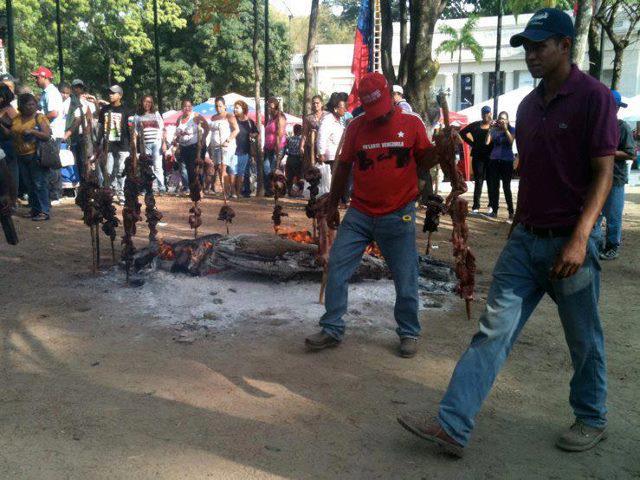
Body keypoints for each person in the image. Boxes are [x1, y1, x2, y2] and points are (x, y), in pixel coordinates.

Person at [397, 8, 618, 457]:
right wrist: (518, 227)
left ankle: (592, 417)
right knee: (492, 330)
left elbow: (603, 174)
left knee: (582, 336)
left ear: (565, 46)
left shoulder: (594, 97)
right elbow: (532, 173)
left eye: (539, 46)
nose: (532, 55)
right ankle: (452, 425)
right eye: (527, 48)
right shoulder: (528, 106)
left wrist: (580, 238)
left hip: (568, 241)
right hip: (525, 240)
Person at [304, 72, 438, 358]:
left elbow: (425, 160)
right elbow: (342, 167)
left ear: (389, 94)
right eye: (370, 111)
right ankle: (332, 328)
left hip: (398, 213)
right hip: (360, 212)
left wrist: (441, 152)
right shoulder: (356, 128)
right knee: (337, 265)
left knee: (406, 276)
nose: (376, 117)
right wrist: (332, 206)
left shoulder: (411, 123)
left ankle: (408, 332)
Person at [596, 90, 635, 260]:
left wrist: (609, 152)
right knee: (595, 213)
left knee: (613, 215)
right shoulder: (597, 126)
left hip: (616, 178)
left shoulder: (623, 127)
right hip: (596, 177)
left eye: (616, 106)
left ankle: (612, 246)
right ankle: (595, 244)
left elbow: (631, 154)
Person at [7, 93, 53, 221]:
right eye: (29, 104)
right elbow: (10, 133)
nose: (31, 107)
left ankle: (44, 210)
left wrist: (33, 131)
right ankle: (35, 209)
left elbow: (46, 135)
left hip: (35, 155)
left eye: (33, 104)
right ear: (22, 105)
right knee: (29, 184)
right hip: (21, 155)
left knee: (39, 183)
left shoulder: (39, 117)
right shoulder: (17, 118)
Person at [32, 66, 64, 205]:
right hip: (48, 132)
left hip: (52, 133)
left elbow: (53, 113)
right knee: (47, 163)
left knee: (51, 162)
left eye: (37, 77)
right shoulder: (46, 92)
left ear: (44, 77)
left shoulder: (51, 92)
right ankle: (51, 194)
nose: (35, 79)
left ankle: (55, 194)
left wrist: (39, 119)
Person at [97, 85, 132, 201]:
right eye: (110, 93)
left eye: (114, 93)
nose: (111, 95)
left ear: (120, 95)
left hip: (123, 145)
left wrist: (132, 145)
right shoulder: (104, 110)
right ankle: (110, 192)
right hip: (108, 145)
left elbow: (131, 129)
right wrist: (98, 142)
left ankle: (121, 193)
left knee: (121, 170)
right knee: (109, 170)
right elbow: (100, 127)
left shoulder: (126, 110)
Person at [460, 106, 493, 214]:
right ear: (481, 114)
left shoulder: (493, 125)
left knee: (490, 181)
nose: (486, 115)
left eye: (488, 113)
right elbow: (462, 132)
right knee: (479, 181)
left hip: (491, 157)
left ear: (491, 113)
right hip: (478, 156)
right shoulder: (476, 125)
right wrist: (471, 143)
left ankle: (491, 204)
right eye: (484, 113)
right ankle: (476, 206)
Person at [485, 111, 516, 220]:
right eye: (500, 118)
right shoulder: (494, 130)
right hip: (494, 160)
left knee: (506, 187)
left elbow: (511, 141)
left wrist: (506, 129)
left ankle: (511, 211)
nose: (501, 120)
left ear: (507, 120)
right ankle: (494, 210)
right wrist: (489, 129)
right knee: (495, 186)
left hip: (506, 161)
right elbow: (487, 142)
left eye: (503, 118)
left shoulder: (512, 129)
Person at [62, 79, 95, 182]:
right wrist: (67, 134)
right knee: (73, 160)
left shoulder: (85, 103)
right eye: (76, 87)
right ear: (72, 88)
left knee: (85, 160)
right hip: (71, 136)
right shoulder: (67, 103)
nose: (78, 89)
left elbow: (90, 119)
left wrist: (89, 135)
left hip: (84, 136)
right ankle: (77, 182)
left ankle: (86, 182)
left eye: (80, 87)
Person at [174, 99, 209, 193]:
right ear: (182, 108)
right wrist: (176, 142)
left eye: (189, 106)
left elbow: (207, 128)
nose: (187, 108)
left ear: (192, 107)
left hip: (195, 147)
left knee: (195, 168)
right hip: (184, 147)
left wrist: (203, 139)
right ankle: (193, 189)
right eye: (185, 106)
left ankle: (200, 189)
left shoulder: (196, 116)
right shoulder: (179, 119)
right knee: (188, 169)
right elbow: (177, 135)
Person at [133, 95, 166, 193]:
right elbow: (135, 132)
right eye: (145, 102)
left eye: (149, 102)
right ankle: (147, 187)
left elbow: (163, 129)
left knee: (157, 165)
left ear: (152, 104)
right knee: (146, 166)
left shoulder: (156, 114)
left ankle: (161, 187)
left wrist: (164, 143)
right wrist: (134, 147)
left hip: (156, 143)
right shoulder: (137, 116)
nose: (147, 104)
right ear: (142, 102)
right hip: (144, 144)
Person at [208, 97, 239, 198]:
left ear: (225, 106)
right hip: (215, 146)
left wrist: (228, 140)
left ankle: (226, 192)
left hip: (226, 146)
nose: (218, 108)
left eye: (220, 106)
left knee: (222, 167)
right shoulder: (213, 117)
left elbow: (236, 130)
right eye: (216, 106)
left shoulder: (229, 116)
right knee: (218, 168)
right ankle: (230, 190)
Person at [317, 94, 346, 180]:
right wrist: (321, 154)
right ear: (336, 109)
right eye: (343, 107)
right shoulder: (328, 119)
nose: (345, 110)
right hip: (330, 159)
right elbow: (322, 136)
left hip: (337, 157)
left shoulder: (338, 120)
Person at [233, 100, 258, 198]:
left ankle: (246, 191)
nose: (235, 109)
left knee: (245, 172)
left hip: (246, 150)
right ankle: (234, 191)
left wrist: (253, 135)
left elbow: (256, 132)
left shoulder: (249, 122)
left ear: (243, 109)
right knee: (234, 171)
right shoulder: (233, 120)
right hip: (233, 149)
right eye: (234, 107)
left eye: (237, 107)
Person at [263, 97, 287, 196]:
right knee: (266, 168)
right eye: (268, 106)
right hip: (268, 148)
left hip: (277, 147)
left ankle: (276, 190)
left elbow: (279, 134)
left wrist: (277, 148)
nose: (269, 108)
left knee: (274, 169)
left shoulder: (280, 118)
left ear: (276, 107)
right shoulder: (270, 119)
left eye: (271, 107)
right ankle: (270, 189)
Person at [0, 84, 19, 202]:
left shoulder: (10, 110)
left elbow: (13, 132)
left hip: (8, 145)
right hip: (3, 143)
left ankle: (12, 200)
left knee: (10, 173)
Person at [300, 94, 324, 172]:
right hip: (312, 146)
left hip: (324, 146)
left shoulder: (327, 115)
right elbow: (304, 133)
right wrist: (301, 146)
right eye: (313, 103)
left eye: (317, 103)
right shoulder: (308, 118)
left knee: (323, 167)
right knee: (312, 167)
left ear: (321, 104)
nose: (315, 105)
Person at [283, 124, 303, 196]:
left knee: (289, 177)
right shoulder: (301, 139)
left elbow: (285, 149)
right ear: (300, 131)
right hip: (297, 159)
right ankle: (298, 192)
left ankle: (289, 191)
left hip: (289, 158)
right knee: (298, 177)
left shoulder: (289, 139)